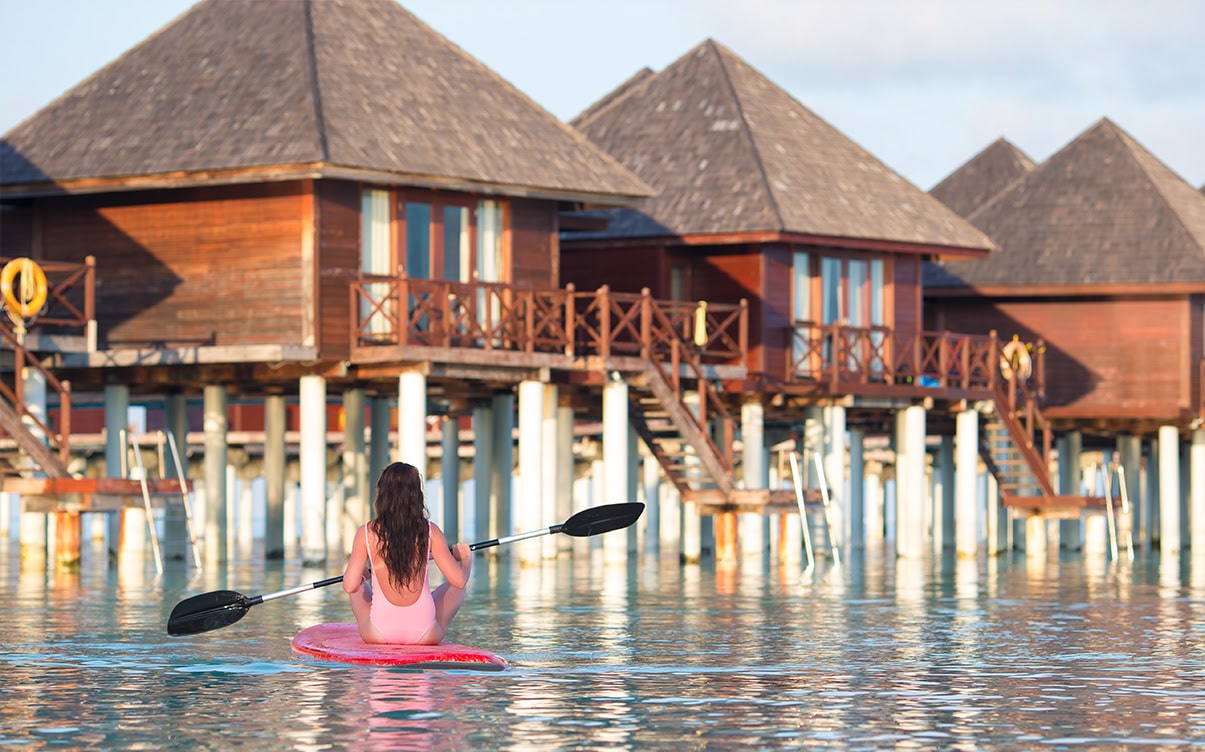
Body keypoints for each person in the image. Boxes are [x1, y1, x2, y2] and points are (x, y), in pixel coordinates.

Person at [342, 461, 472, 644]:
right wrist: (465, 559)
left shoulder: (366, 532)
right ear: (416, 495)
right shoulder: (430, 531)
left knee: (356, 587)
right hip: (425, 635)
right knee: (458, 589)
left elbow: (349, 586)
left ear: (382, 494)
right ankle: (434, 626)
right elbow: (458, 581)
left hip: (379, 634)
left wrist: (361, 577)